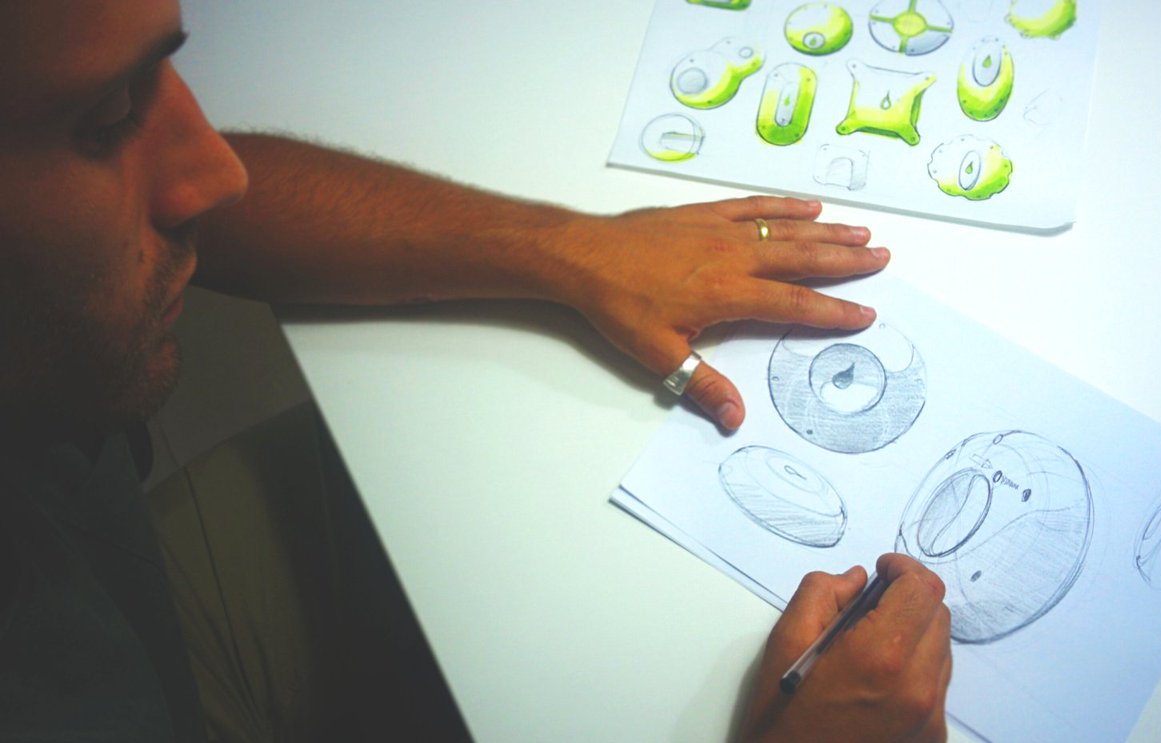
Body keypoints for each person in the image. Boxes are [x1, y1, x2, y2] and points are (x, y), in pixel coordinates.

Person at [0, 1, 951, 741]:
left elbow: (239, 196)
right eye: (106, 117)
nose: (218, 172)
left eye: (163, 75)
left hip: (118, 546)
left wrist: (573, 248)